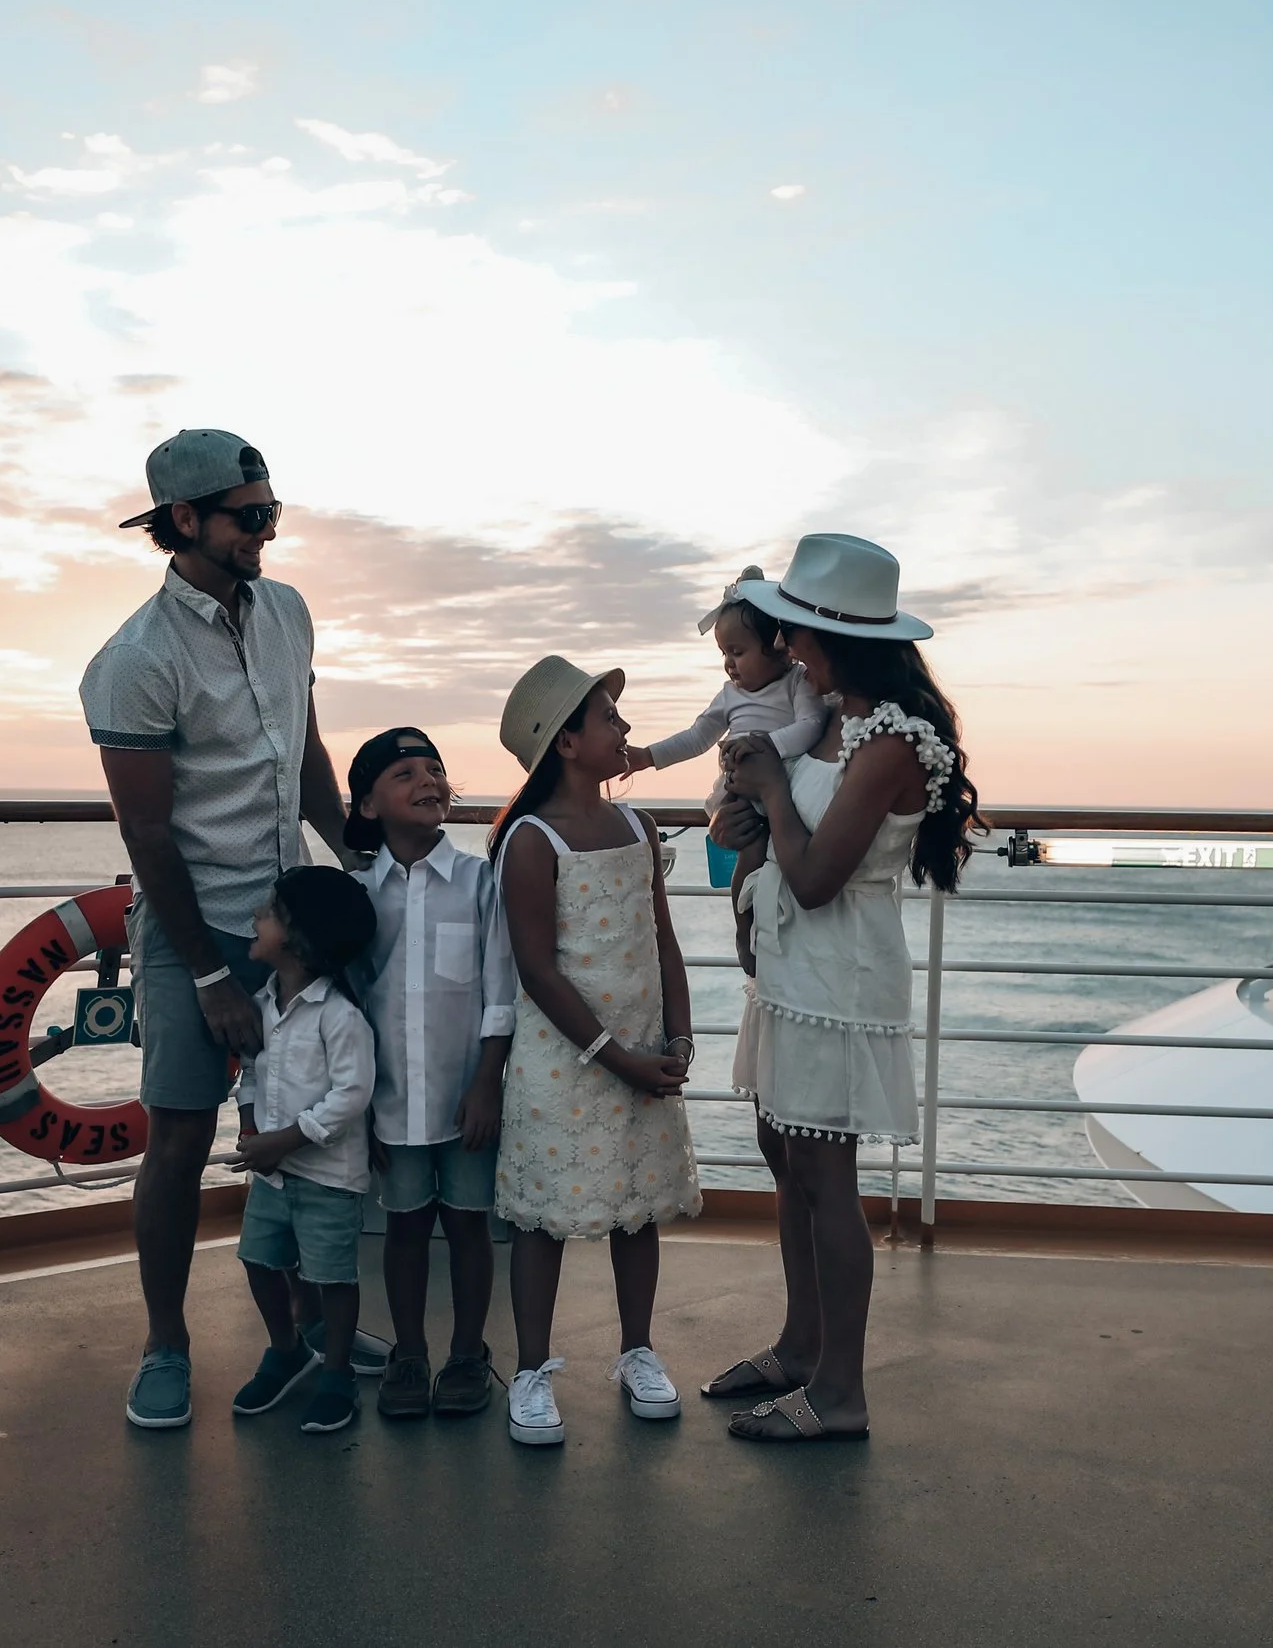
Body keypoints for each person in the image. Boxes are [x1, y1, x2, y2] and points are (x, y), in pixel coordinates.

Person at [79, 428, 357, 1432]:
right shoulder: (136, 660)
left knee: (327, 1131)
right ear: (183, 520)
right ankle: (165, 1343)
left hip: (296, 917)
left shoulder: (287, 611)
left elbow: (308, 752)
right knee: (183, 1138)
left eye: (273, 512)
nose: (267, 532)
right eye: (250, 516)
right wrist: (207, 975)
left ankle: (323, 1325)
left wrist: (358, 853)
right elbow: (146, 830)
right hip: (194, 925)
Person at [702, 533, 979, 1443]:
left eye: (794, 631)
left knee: (826, 1173)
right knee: (786, 1159)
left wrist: (774, 792)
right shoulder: (821, 710)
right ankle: (799, 1346)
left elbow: (820, 874)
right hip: (786, 969)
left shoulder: (896, 739)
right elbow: (779, 839)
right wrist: (745, 809)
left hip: (841, 977)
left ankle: (841, 1392)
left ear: (831, 637)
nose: (784, 647)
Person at [489, 657, 703, 1446]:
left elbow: (662, 943)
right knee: (544, 1218)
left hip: (640, 1050)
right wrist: (618, 1056)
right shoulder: (530, 840)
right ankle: (532, 1368)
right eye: (610, 718)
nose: (626, 731)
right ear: (568, 742)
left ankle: (637, 1348)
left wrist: (676, 1036)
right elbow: (537, 970)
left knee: (635, 1206)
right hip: (566, 1060)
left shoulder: (639, 828)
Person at [343, 727, 516, 1420]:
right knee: (405, 1227)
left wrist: (488, 1082)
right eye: (405, 773)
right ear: (366, 806)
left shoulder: (481, 880)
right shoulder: (358, 896)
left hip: (465, 1094)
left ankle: (469, 1351)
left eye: (434, 769)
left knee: (470, 1225)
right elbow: (348, 1002)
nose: (427, 780)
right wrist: (357, 1105)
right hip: (391, 1100)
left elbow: (501, 987)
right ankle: (409, 1352)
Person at [227, 866, 381, 1434]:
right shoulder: (260, 1005)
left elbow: (351, 1095)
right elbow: (249, 1071)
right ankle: (286, 1348)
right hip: (270, 1176)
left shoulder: (339, 1017)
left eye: (267, 913)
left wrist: (283, 1141)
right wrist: (250, 1128)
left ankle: (336, 1372)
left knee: (333, 1278)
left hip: (327, 1177)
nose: (255, 920)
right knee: (258, 1260)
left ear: (294, 937)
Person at [622, 563, 831, 870]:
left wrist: (765, 746)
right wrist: (648, 757)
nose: (729, 664)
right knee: (750, 855)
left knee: (777, 855)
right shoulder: (730, 695)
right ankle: (745, 917)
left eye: (738, 652)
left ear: (779, 649)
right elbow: (698, 737)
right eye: (724, 653)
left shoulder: (798, 682)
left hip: (786, 786)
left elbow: (812, 726)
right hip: (741, 791)